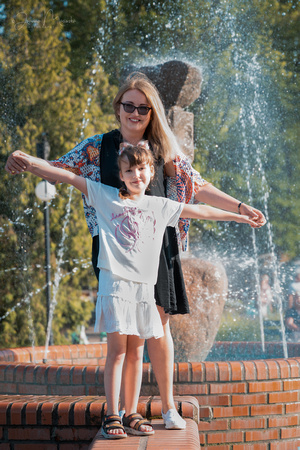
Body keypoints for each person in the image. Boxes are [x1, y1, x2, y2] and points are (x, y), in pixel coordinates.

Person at [5, 72, 266, 430]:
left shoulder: (162, 150)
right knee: (122, 334)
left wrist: (240, 208)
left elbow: (198, 189)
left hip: (159, 249)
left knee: (158, 328)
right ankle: (121, 411)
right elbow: (61, 170)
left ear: (151, 111)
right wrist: (24, 157)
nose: (136, 112)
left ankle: (168, 406)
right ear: (118, 108)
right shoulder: (97, 148)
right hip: (116, 252)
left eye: (143, 107)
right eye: (129, 105)